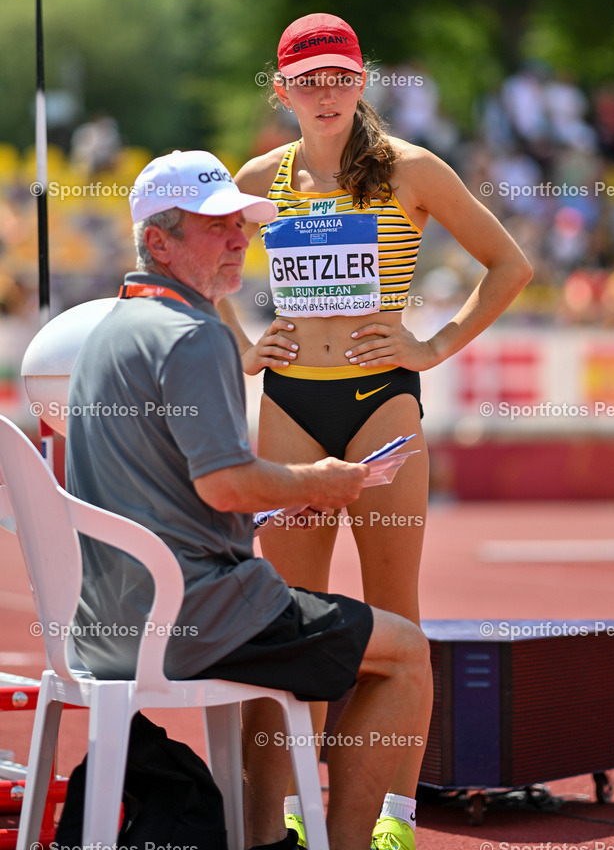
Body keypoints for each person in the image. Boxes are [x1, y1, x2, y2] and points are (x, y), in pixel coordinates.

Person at [220, 13, 534, 850]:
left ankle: (393, 821)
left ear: (364, 82)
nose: (325, 94)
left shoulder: (412, 169)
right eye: (307, 80)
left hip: (381, 404)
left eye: (338, 77)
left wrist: (431, 345)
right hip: (289, 406)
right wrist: (246, 341)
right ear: (280, 88)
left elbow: (510, 266)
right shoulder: (257, 177)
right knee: (288, 619)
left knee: (396, 613)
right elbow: (190, 256)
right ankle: (291, 814)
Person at [64, 149, 431, 850]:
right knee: (406, 652)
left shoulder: (108, 329)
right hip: (194, 616)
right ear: (159, 241)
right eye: (215, 227)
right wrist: (319, 482)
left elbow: (174, 489)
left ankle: (263, 839)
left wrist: (267, 500)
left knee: (287, 615)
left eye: (241, 224)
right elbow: (224, 483)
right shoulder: (194, 334)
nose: (239, 240)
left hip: (102, 628)